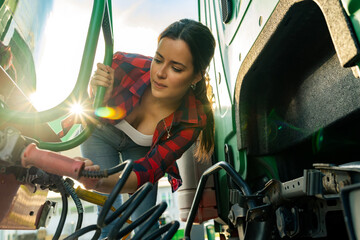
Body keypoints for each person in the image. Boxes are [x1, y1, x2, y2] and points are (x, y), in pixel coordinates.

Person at [78, 18, 215, 238]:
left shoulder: (192, 120)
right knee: (109, 220)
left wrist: (100, 179)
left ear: (196, 76)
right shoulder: (123, 64)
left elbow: (149, 169)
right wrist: (98, 91)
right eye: (158, 60)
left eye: (176, 68)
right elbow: (89, 108)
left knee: (145, 224)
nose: (160, 73)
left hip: (141, 154)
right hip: (100, 134)